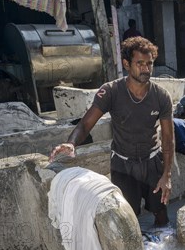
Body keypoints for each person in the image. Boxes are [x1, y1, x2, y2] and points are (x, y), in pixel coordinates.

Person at [50, 37, 174, 226]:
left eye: (149, 64)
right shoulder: (111, 92)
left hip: (152, 163)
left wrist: (167, 175)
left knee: (162, 214)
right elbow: (85, 124)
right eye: (139, 63)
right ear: (126, 64)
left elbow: (168, 139)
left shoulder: (160, 96)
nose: (146, 69)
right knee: (126, 220)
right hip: (123, 165)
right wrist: (71, 142)